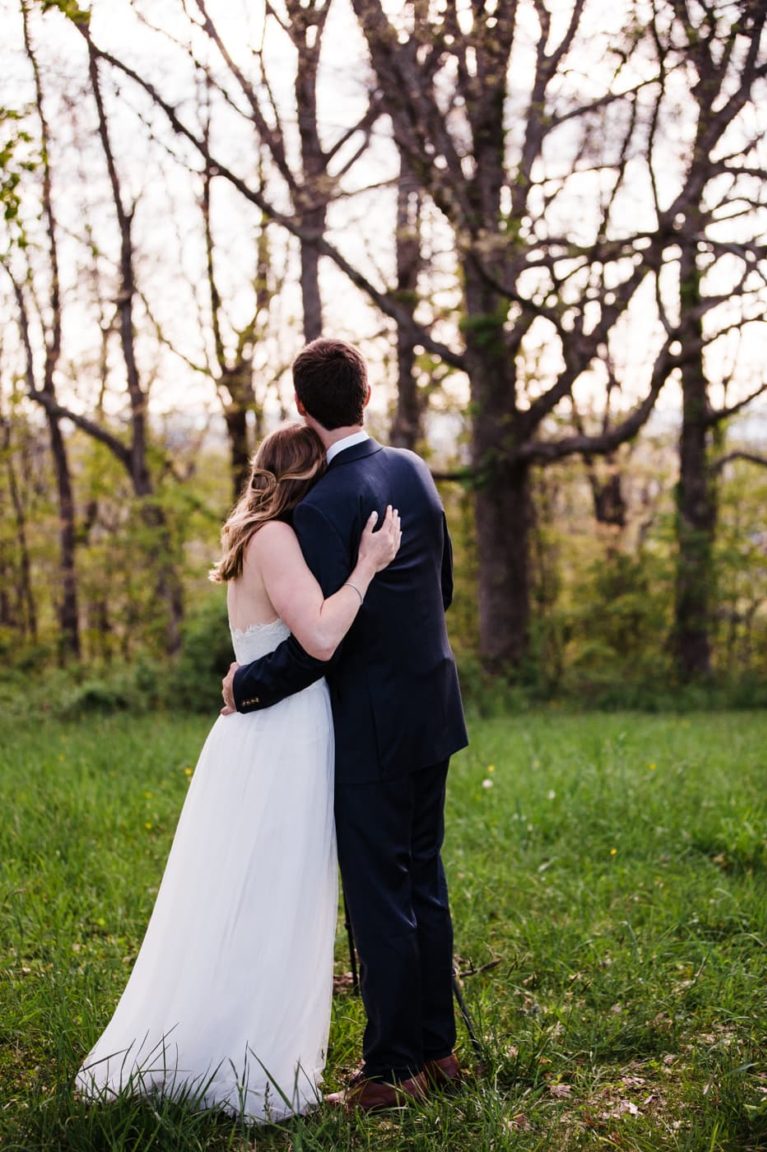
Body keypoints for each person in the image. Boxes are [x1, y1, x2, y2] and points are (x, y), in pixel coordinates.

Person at [75, 423, 401, 1123]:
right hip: (282, 734)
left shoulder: (262, 534)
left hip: (270, 729)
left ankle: (237, 1044)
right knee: (272, 894)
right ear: (303, 475)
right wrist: (367, 565)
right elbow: (317, 634)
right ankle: (243, 1063)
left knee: (254, 890)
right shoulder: (279, 537)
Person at [221, 338, 469, 1112]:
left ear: (302, 406)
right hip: (434, 708)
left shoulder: (323, 506)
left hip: (372, 727)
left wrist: (245, 686)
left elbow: (317, 644)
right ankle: (438, 1051)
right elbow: (446, 589)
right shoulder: (414, 471)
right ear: (366, 393)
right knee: (422, 879)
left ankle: (392, 1070)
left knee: (379, 897)